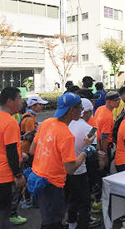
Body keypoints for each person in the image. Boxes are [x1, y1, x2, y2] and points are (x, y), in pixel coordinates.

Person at [30, 93, 95, 228]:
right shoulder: (66, 135)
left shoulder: (46, 123)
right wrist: (85, 150)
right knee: (53, 223)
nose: (82, 111)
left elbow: (32, 150)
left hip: (38, 178)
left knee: (46, 219)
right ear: (72, 110)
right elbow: (70, 169)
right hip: (53, 184)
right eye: (80, 108)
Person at [66, 98, 99, 229]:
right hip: (80, 169)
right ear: (87, 112)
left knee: (71, 200)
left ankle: (71, 224)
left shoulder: (66, 124)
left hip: (65, 168)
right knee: (84, 202)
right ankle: (83, 224)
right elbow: (92, 150)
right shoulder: (90, 129)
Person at [0, 87, 26, 228]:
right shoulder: (10, 122)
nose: (22, 101)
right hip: (5, 175)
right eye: (19, 98)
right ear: (10, 101)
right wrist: (18, 174)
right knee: (4, 212)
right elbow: (10, 151)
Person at [94, 92, 120, 165]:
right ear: (109, 102)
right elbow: (104, 136)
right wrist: (104, 154)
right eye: (116, 101)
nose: (119, 102)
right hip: (104, 145)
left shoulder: (100, 108)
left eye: (119, 100)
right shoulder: (107, 116)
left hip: (97, 143)